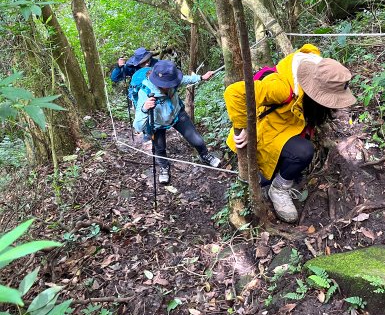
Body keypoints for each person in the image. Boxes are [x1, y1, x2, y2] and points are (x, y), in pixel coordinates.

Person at [224, 44, 356, 223]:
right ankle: (278, 189)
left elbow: (311, 48)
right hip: (266, 131)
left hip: (287, 124)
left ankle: (279, 178)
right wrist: (244, 128)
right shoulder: (280, 89)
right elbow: (234, 92)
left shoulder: (315, 65)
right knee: (303, 152)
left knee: (298, 152)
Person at [134, 60, 221, 184]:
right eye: (169, 83)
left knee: (197, 140)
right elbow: (137, 126)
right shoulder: (145, 92)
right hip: (157, 123)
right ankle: (164, 168)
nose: (172, 85)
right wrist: (144, 108)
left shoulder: (171, 81)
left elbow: (184, 79)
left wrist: (201, 77)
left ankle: (204, 155)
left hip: (176, 113)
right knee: (160, 148)